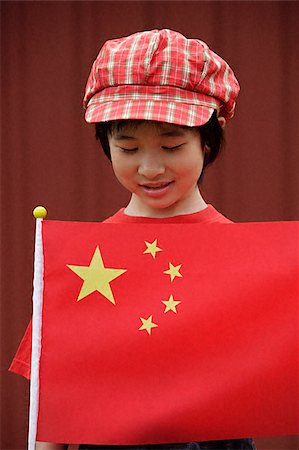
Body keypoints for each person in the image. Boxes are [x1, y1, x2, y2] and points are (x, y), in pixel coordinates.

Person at [10, 29, 257, 450]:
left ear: (208, 140)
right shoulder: (81, 259)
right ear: (106, 145)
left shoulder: (247, 256)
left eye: (172, 145)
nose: (150, 167)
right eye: (127, 148)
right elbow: (55, 390)